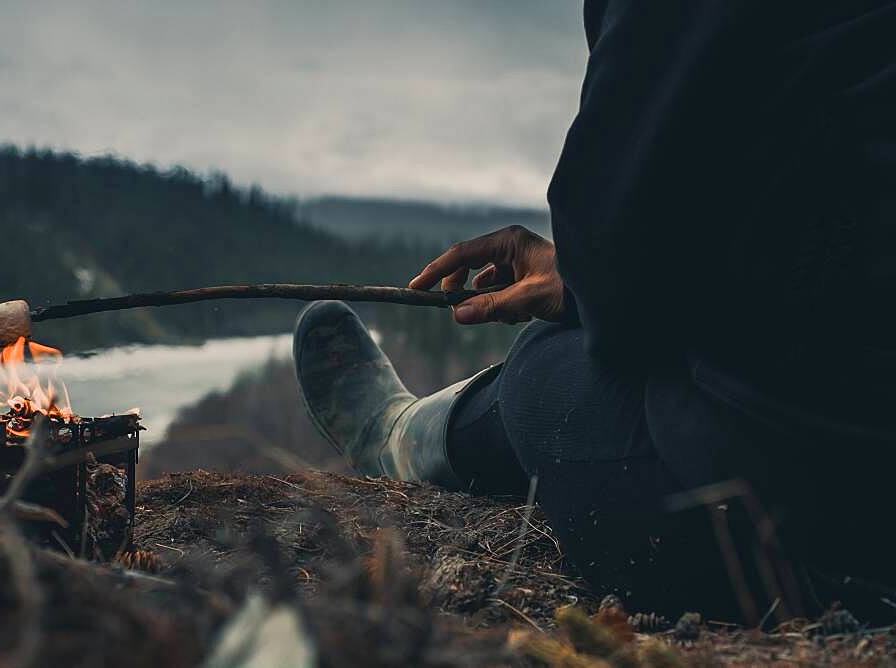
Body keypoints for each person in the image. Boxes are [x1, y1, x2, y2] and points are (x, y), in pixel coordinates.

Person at [294, 1, 896, 622]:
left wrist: (588, 282)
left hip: (809, 535)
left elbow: (618, 262)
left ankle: (402, 440)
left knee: (547, 361)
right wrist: (582, 279)